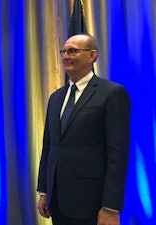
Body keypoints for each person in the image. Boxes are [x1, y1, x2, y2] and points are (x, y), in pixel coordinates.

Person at [37, 34, 130, 225]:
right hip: (58, 202)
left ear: (92, 55)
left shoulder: (112, 93)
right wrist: (44, 191)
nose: (66, 56)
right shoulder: (56, 98)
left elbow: (117, 154)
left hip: (93, 204)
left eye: (73, 51)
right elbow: (49, 148)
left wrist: (111, 207)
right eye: (64, 52)